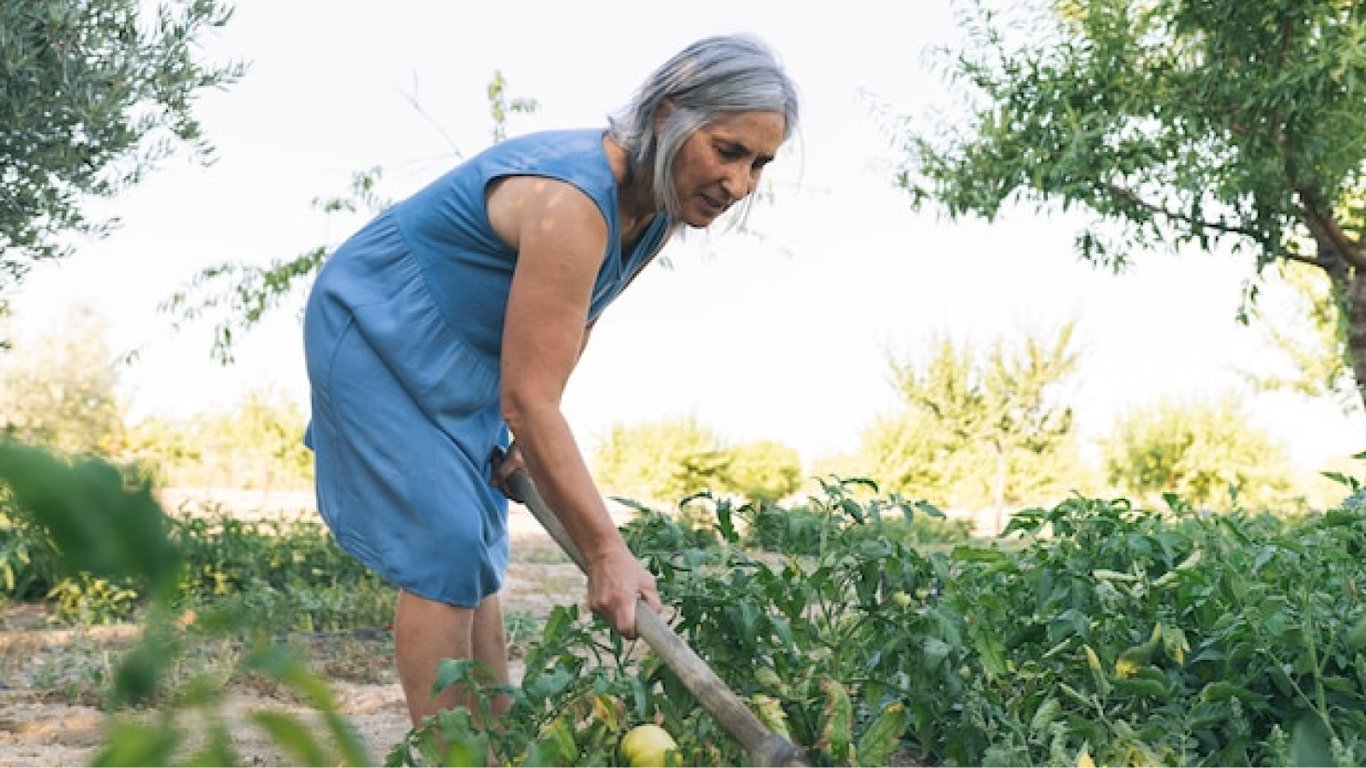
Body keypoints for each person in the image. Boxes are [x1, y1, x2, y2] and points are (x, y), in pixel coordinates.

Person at [301, 33, 800, 730]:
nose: (741, 183)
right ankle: (449, 753)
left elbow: (577, 320)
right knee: (444, 539)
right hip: (378, 323)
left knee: (475, 542)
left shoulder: (652, 216)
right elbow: (527, 399)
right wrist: (606, 552)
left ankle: (497, 739)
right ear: (666, 115)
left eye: (760, 163)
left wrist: (531, 440)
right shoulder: (569, 201)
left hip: (465, 349)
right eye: (728, 150)